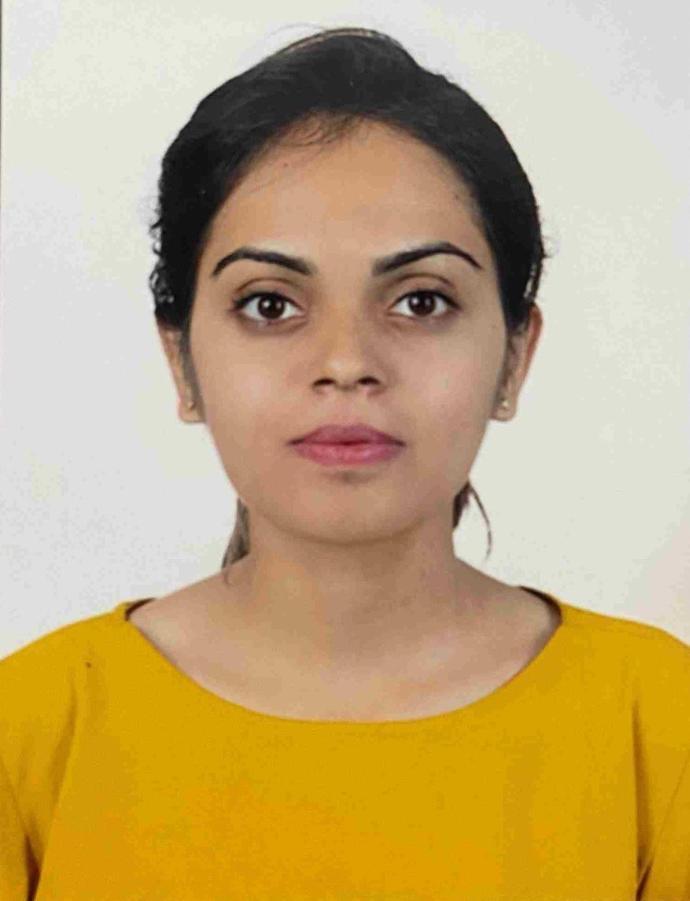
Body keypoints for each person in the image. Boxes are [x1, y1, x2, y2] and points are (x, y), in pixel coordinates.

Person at [1, 26, 688, 901]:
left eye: (421, 300)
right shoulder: (32, 731)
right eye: (270, 304)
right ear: (182, 361)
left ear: (515, 356)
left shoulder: (659, 725)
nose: (347, 361)